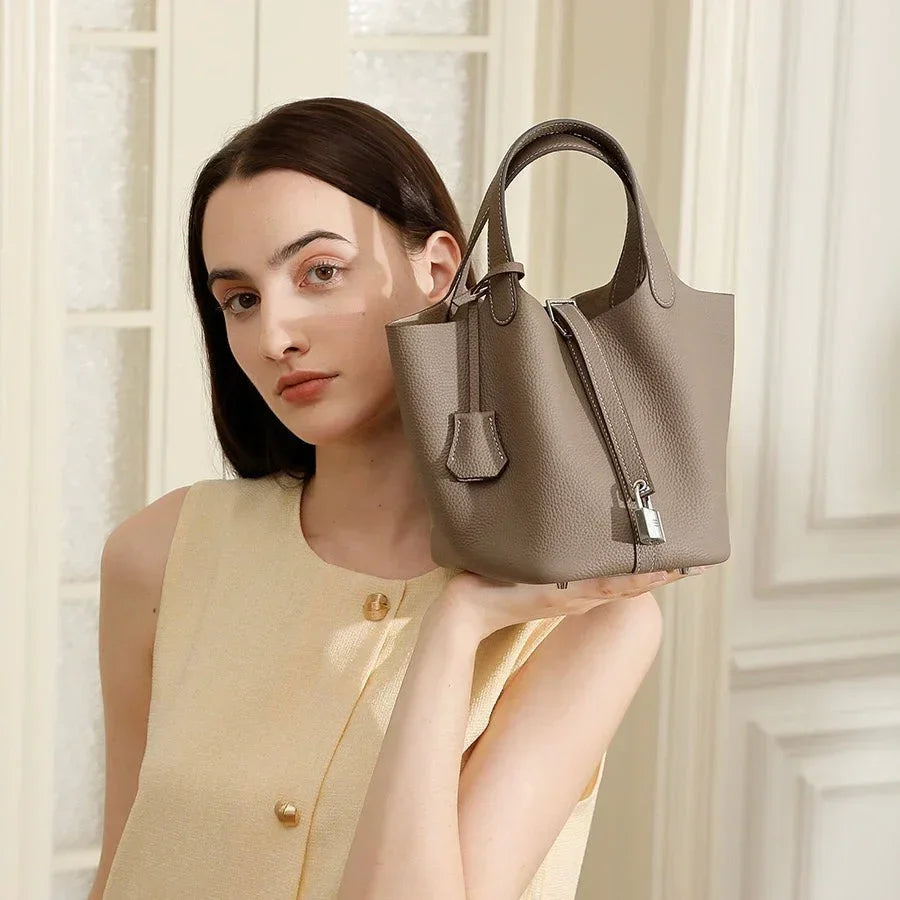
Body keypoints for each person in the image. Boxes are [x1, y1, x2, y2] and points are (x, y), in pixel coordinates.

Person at [89, 97, 688, 900]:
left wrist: (456, 628)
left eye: (320, 273)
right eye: (241, 299)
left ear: (437, 272)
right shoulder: (159, 557)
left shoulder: (589, 615)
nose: (274, 336)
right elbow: (118, 868)